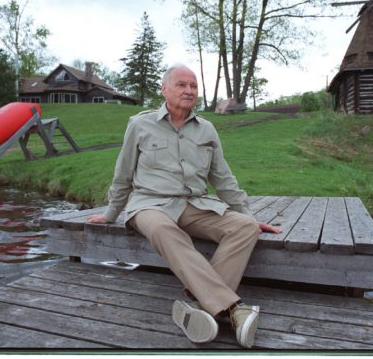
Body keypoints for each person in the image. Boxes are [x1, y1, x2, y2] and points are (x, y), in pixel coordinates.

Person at [87, 64, 281, 348]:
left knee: (244, 228)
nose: (189, 91)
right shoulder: (140, 124)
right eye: (181, 85)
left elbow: (223, 179)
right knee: (165, 229)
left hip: (194, 204)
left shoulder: (207, 130)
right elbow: (123, 173)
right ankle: (233, 309)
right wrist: (110, 214)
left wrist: (247, 215)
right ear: (164, 89)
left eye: (193, 86)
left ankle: (201, 307)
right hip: (150, 205)